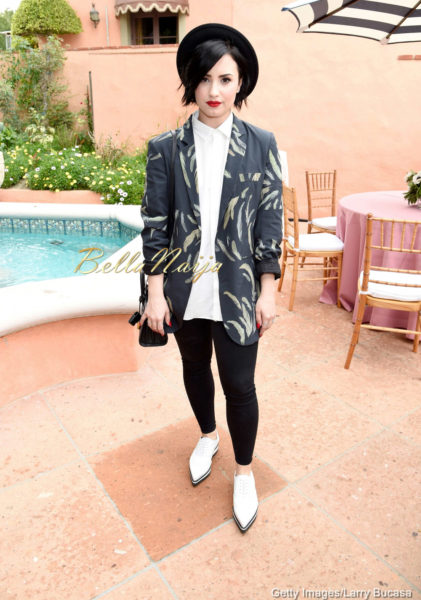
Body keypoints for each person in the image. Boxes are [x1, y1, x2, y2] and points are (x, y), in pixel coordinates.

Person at [139, 23, 283, 533]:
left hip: (238, 290)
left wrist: (268, 289)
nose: (214, 91)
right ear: (190, 83)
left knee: (240, 385)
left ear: (241, 83)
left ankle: (244, 471)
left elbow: (270, 220)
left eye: (225, 79)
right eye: (204, 79)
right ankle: (207, 435)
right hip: (184, 286)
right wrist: (155, 292)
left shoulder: (261, 144)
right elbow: (156, 223)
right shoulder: (166, 147)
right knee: (195, 368)